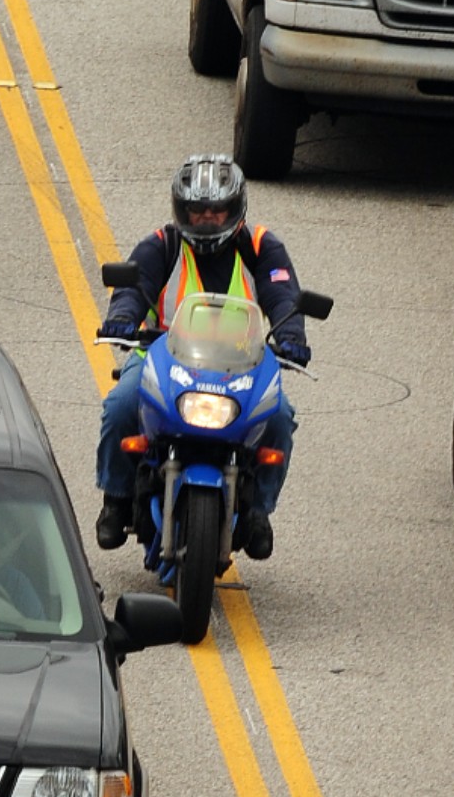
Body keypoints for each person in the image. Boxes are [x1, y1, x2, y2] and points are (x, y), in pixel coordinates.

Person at [94, 154, 309, 558]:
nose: (207, 218)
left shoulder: (262, 246)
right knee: (120, 405)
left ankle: (259, 509)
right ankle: (116, 497)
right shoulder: (163, 244)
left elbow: (282, 295)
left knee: (279, 416)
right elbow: (132, 286)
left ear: (235, 208)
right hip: (163, 354)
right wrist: (122, 319)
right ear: (181, 210)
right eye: (197, 210)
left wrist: (293, 334)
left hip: (242, 363)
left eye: (217, 209)